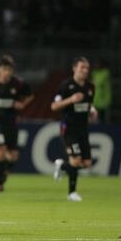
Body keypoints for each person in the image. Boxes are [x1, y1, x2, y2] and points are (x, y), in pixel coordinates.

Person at [0, 55, 33, 192]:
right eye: (4, 69)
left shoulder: (18, 84)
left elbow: (30, 94)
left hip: (11, 123)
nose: (7, 72)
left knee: (14, 156)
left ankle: (4, 173)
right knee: (2, 152)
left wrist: (22, 104)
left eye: (9, 69)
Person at [51, 57, 97, 202]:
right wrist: (71, 100)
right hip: (69, 128)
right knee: (76, 161)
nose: (85, 71)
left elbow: (89, 104)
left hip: (83, 128)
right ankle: (72, 193)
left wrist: (92, 110)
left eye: (87, 68)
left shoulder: (90, 87)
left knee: (87, 164)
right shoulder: (66, 86)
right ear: (74, 68)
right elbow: (54, 106)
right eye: (82, 67)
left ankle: (62, 165)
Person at [92, 58, 112, 123]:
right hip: (96, 100)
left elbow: (98, 82)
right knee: (96, 120)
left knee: (105, 121)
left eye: (98, 64)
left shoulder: (106, 72)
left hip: (105, 100)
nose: (96, 65)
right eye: (95, 64)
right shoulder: (94, 73)